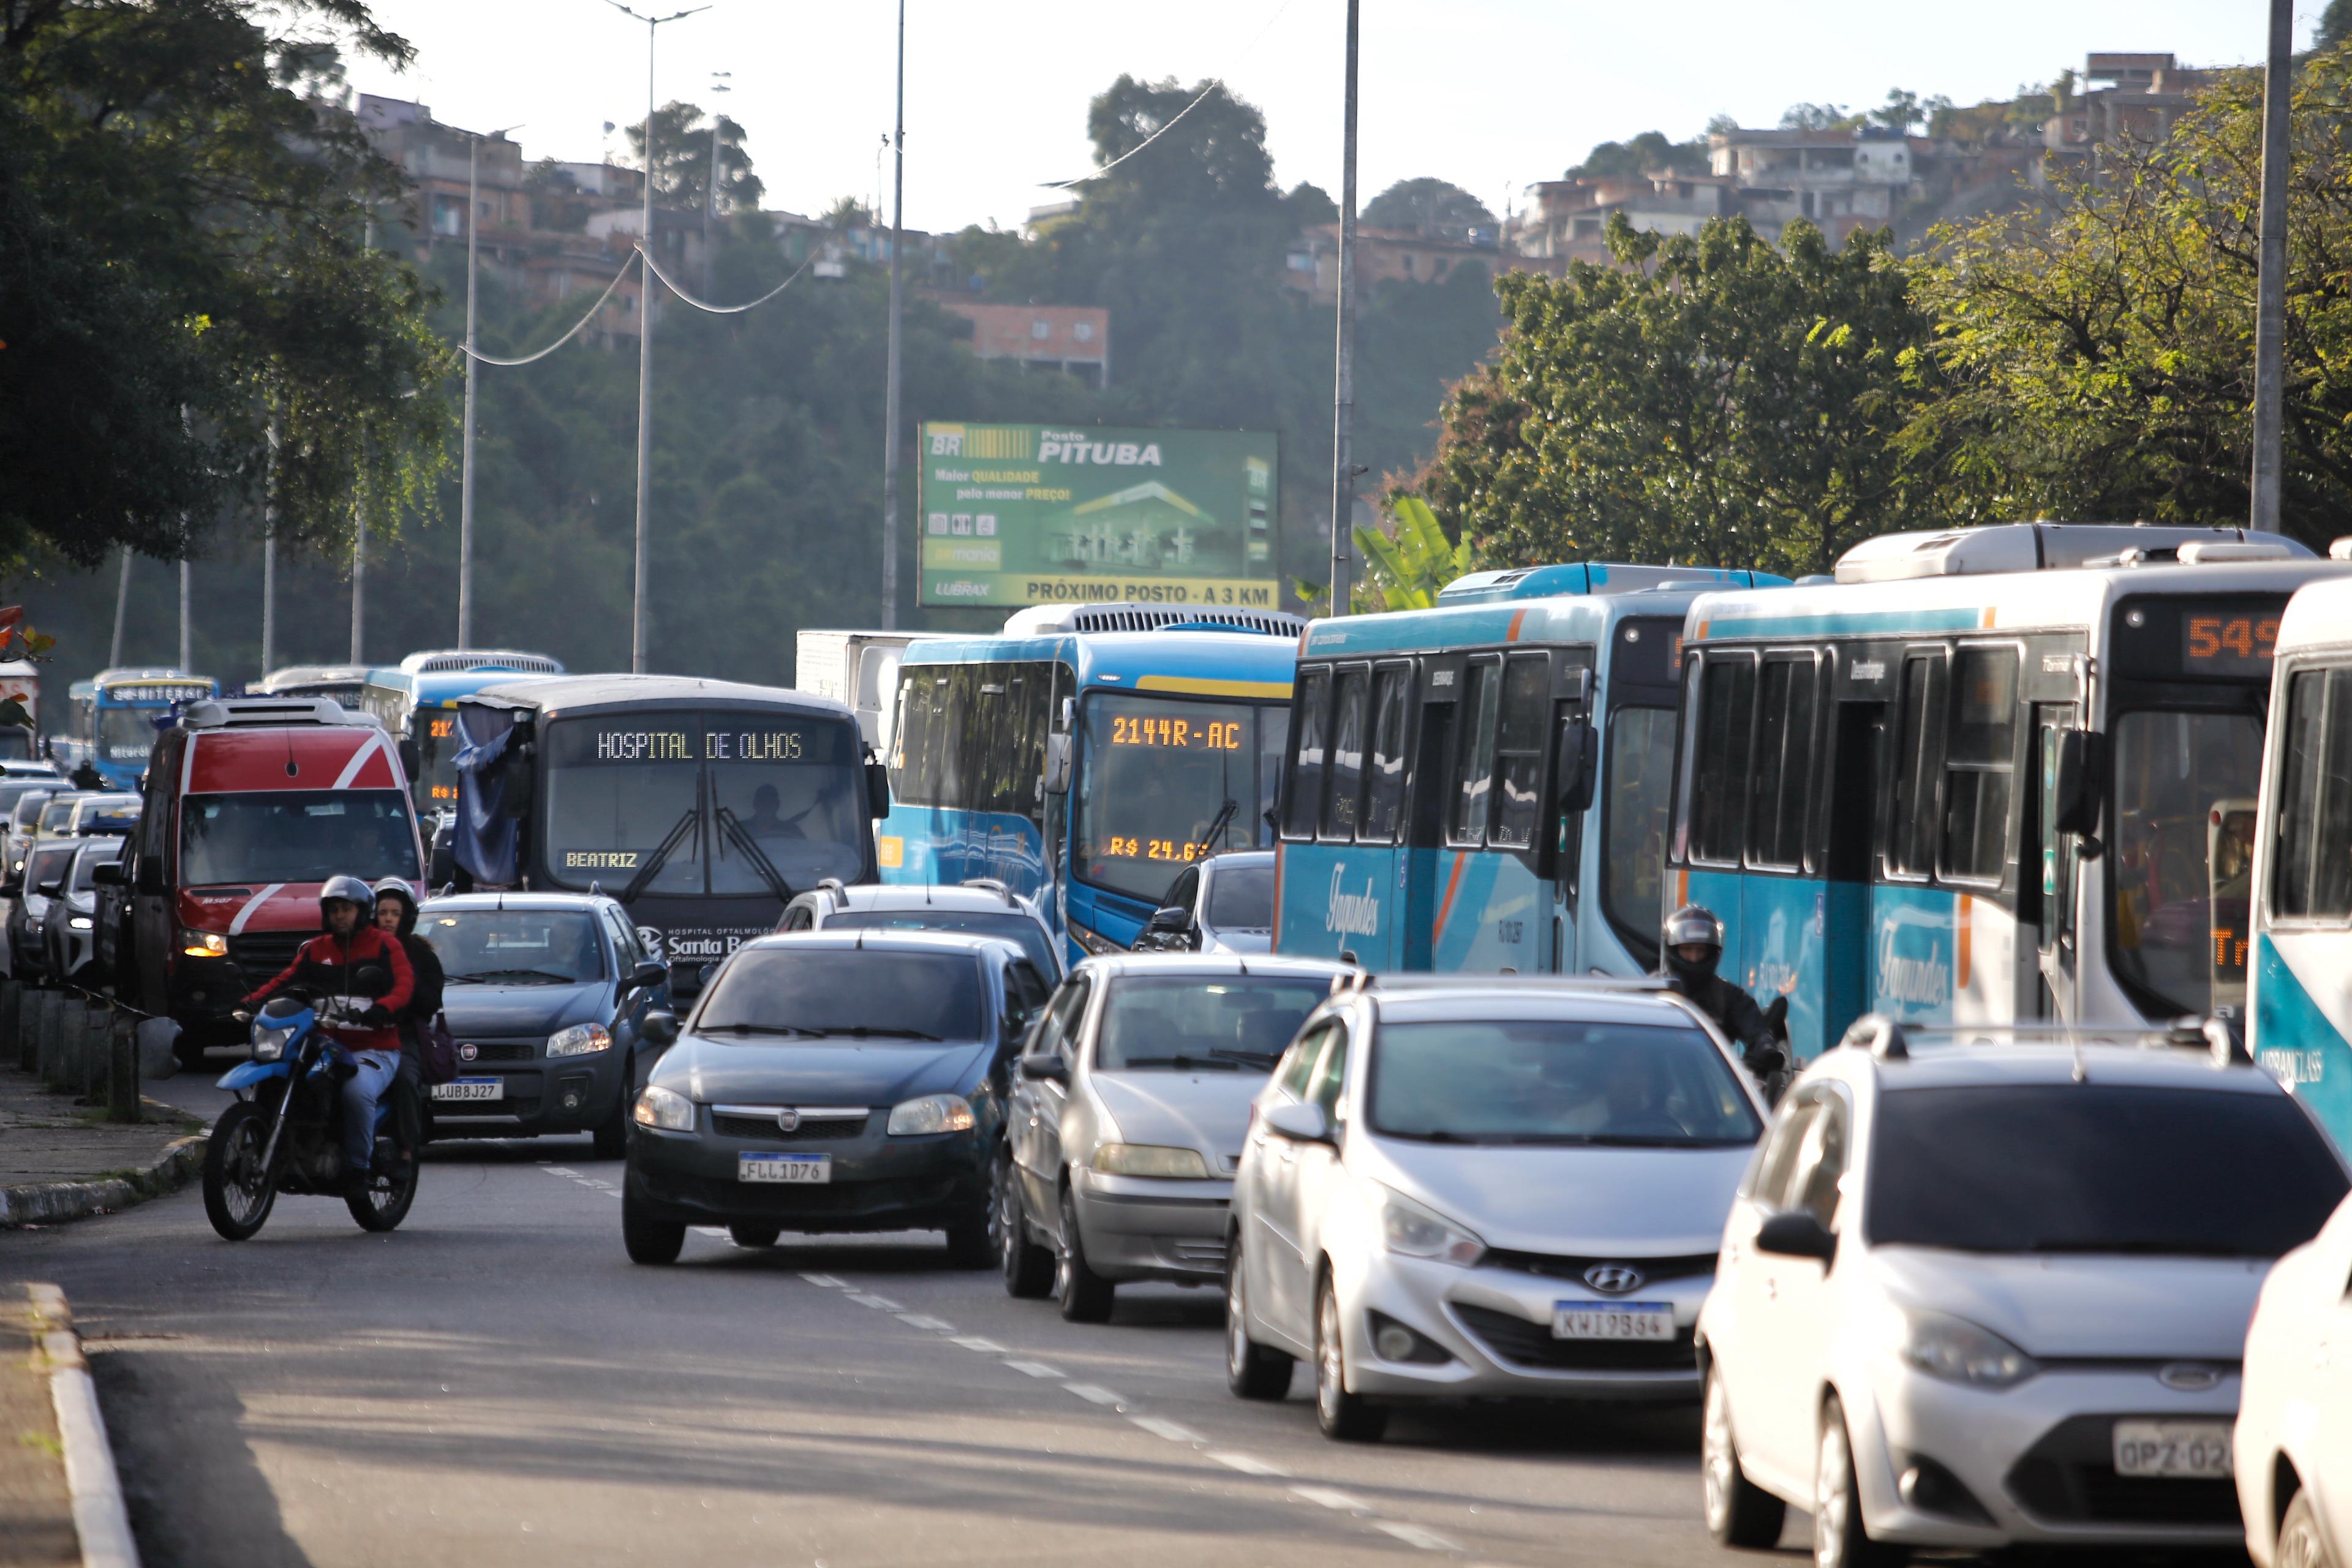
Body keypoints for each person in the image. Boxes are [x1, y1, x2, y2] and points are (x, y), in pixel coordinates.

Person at [241, 875, 413, 1189]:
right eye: (334, 909)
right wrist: (251, 1001)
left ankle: (358, 1168)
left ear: (362, 912)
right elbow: (285, 980)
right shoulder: (316, 949)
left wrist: (382, 1009)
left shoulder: (386, 945)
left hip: (374, 1049)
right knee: (280, 1077)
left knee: (357, 1092)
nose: (340, 916)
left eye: (347, 909)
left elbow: (404, 986)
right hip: (323, 1046)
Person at [1659, 905, 1785, 1076]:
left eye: (1700, 950)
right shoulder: (1651, 994)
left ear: (1712, 952)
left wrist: (1764, 1048)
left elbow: (1756, 1032)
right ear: (1672, 949)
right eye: (1687, 949)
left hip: (1708, 1089)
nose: (1694, 958)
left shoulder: (1728, 997)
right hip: (1657, 1089)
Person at [372, 878, 442, 1173]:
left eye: (394, 913)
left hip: (402, 1037)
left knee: (403, 1079)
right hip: (355, 1033)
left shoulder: (421, 956)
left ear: (406, 917)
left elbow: (430, 1002)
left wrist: (401, 997)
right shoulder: (361, 947)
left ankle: (404, 1150)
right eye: (382, 912)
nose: (387, 919)